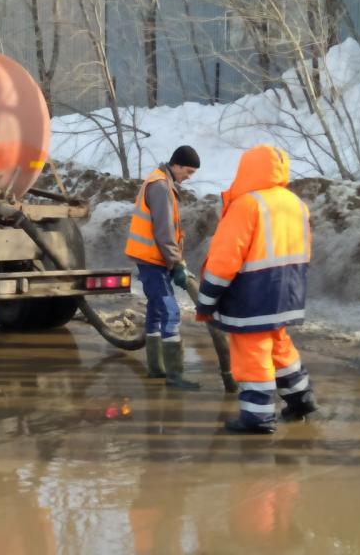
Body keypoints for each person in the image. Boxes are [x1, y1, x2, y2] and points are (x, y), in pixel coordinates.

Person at [195, 144, 318, 433]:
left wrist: (207, 301)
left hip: (253, 293)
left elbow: (224, 260)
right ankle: (301, 398)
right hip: (288, 291)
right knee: (279, 344)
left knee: (252, 352)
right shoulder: (296, 203)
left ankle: (257, 416)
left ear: (247, 170)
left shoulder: (247, 205)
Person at [124, 145, 201, 390]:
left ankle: (156, 368)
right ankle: (174, 375)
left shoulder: (161, 182)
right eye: (188, 171)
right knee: (170, 312)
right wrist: (176, 264)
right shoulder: (160, 186)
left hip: (152, 258)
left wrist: (178, 260)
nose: (189, 176)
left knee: (157, 311)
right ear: (175, 165)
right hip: (152, 260)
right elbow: (164, 231)